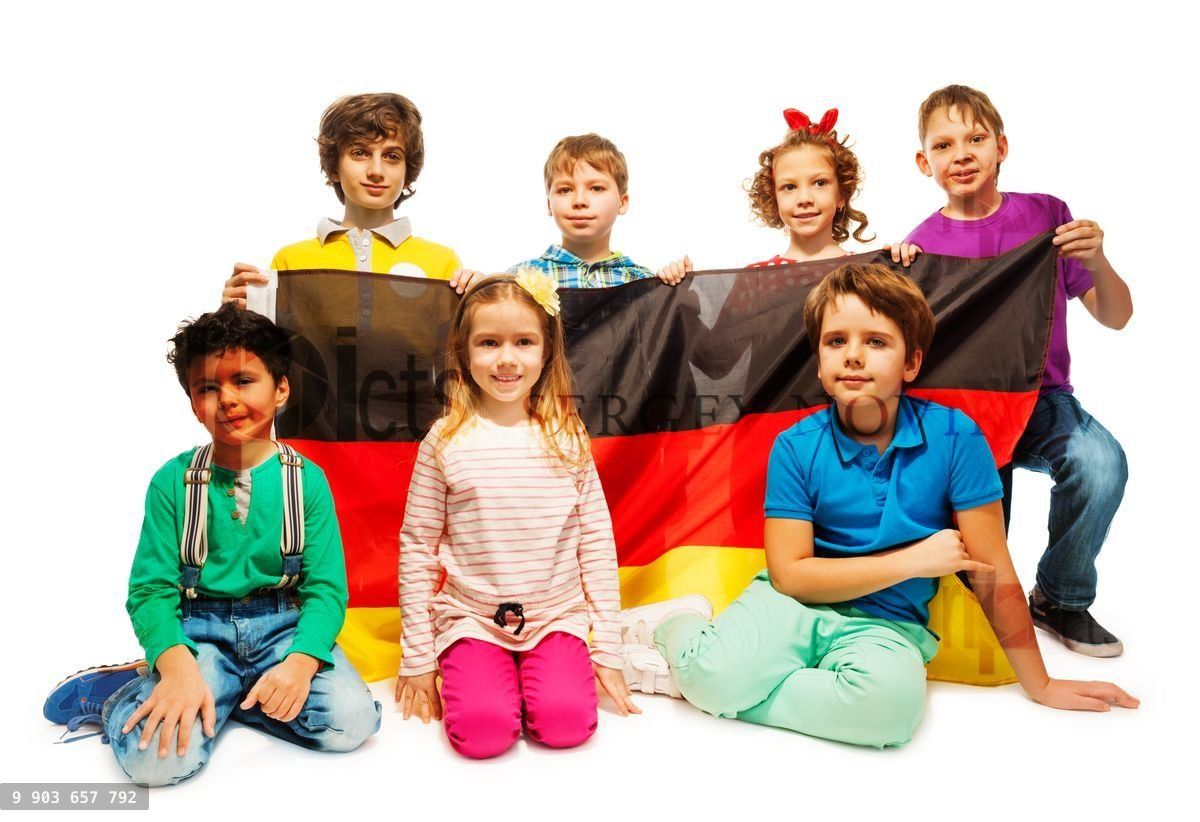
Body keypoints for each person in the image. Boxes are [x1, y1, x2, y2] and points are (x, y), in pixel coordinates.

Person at [620, 263, 1137, 748]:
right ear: (819, 360)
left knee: (889, 714)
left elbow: (991, 571)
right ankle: (678, 628)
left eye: (876, 342)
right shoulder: (796, 446)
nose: (853, 355)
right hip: (793, 606)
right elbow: (791, 576)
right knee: (714, 676)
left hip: (887, 623)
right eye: (836, 341)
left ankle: (723, 684)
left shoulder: (956, 437)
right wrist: (911, 562)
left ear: (911, 361)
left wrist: (1040, 684)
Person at [43, 305, 380, 786]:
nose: (227, 400)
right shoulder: (172, 482)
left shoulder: (307, 481)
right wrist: (179, 667)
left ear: (281, 389)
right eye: (208, 388)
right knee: (154, 764)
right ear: (192, 403)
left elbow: (326, 590)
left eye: (244, 381)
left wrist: (302, 661)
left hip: (282, 627)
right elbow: (150, 591)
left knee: (351, 721)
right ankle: (119, 696)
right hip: (201, 632)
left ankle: (221, 703)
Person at [901, 85, 1134, 656]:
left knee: (1100, 463)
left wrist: (1097, 259)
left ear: (1001, 146)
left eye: (975, 139)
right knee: (981, 554)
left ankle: (1061, 598)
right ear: (923, 161)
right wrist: (899, 270)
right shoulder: (920, 245)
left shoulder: (1046, 216)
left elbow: (1118, 316)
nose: (961, 153)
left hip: (1041, 398)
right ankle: (971, 605)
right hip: (961, 413)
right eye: (944, 144)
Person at [395, 269, 638, 758]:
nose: (506, 358)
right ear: (464, 352)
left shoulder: (567, 437)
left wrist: (606, 650)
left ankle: (542, 672)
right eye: (489, 343)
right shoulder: (443, 441)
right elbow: (417, 548)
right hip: (471, 618)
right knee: (482, 735)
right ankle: (483, 673)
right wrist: (418, 658)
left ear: (546, 351)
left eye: (524, 342)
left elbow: (595, 542)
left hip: (555, 616)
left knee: (567, 725)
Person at [222, 93, 462, 306]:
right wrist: (231, 318)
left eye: (391, 156)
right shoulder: (291, 261)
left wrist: (489, 299)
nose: (376, 170)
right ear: (334, 166)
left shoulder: (443, 263)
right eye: (360, 153)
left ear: (407, 173)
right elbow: (266, 353)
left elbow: (466, 351)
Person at [450, 133, 686, 294]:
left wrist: (675, 289)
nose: (580, 201)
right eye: (565, 190)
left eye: (596, 188)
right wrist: (479, 290)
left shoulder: (644, 282)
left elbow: (699, 358)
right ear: (549, 205)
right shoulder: (520, 280)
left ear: (622, 202)